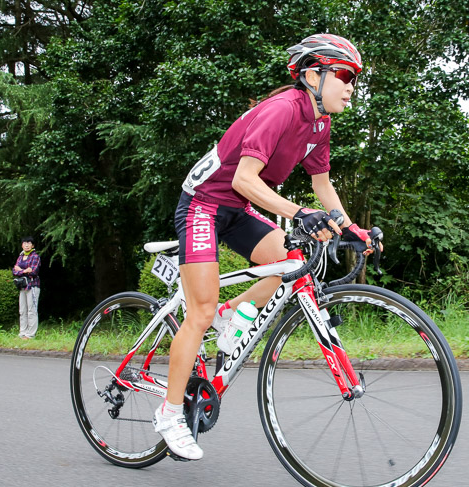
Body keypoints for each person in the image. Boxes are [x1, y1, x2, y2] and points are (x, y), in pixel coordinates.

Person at [153, 33, 381, 460]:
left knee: (293, 263)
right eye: (346, 75)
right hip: (204, 204)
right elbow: (243, 178)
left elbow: (322, 185)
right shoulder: (281, 110)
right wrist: (299, 213)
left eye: (356, 79)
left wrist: (353, 230)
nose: (352, 87)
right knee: (198, 313)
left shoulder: (320, 124)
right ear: (314, 74)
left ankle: (230, 312)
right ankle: (169, 414)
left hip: (239, 207)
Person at [12, 236, 41, 339]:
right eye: (24, 243)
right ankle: (22, 332)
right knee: (22, 310)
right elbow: (14, 271)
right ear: (22, 245)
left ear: (32, 245)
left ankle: (30, 334)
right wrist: (25, 271)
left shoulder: (35, 256)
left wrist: (21, 270)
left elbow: (33, 271)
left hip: (32, 286)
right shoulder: (20, 257)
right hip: (22, 286)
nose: (27, 244)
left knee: (31, 310)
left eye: (29, 243)